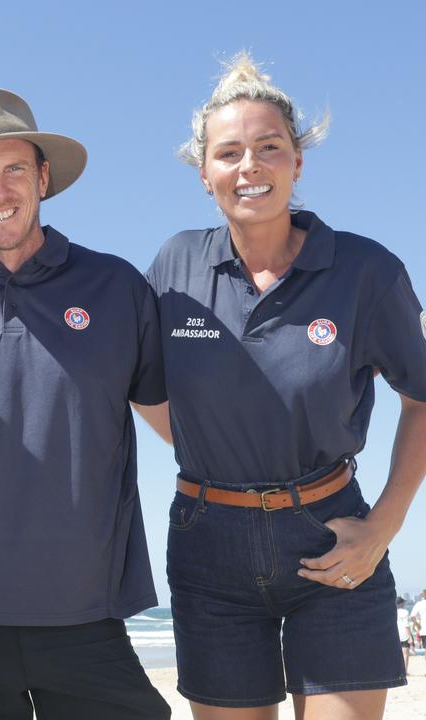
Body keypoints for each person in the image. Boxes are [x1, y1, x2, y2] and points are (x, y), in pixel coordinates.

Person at [143, 53, 426, 719]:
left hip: (333, 540)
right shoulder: (174, 265)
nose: (250, 167)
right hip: (207, 545)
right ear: (204, 172)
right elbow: (121, 368)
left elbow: (421, 397)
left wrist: (384, 525)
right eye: (229, 152)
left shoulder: (365, 270)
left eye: (269, 148)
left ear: (297, 162)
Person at [0, 88, 170, 719]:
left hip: (86, 613)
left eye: (14, 169)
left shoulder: (116, 286)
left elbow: (177, 423)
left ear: (43, 177)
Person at [398, 598, 412, 673]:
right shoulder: (405, 612)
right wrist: (410, 637)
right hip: (404, 635)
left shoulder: (393, 611)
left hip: (396, 635)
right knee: (405, 654)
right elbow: (406, 625)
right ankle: (405, 671)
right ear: (402, 604)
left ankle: (398, 670)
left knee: (397, 654)